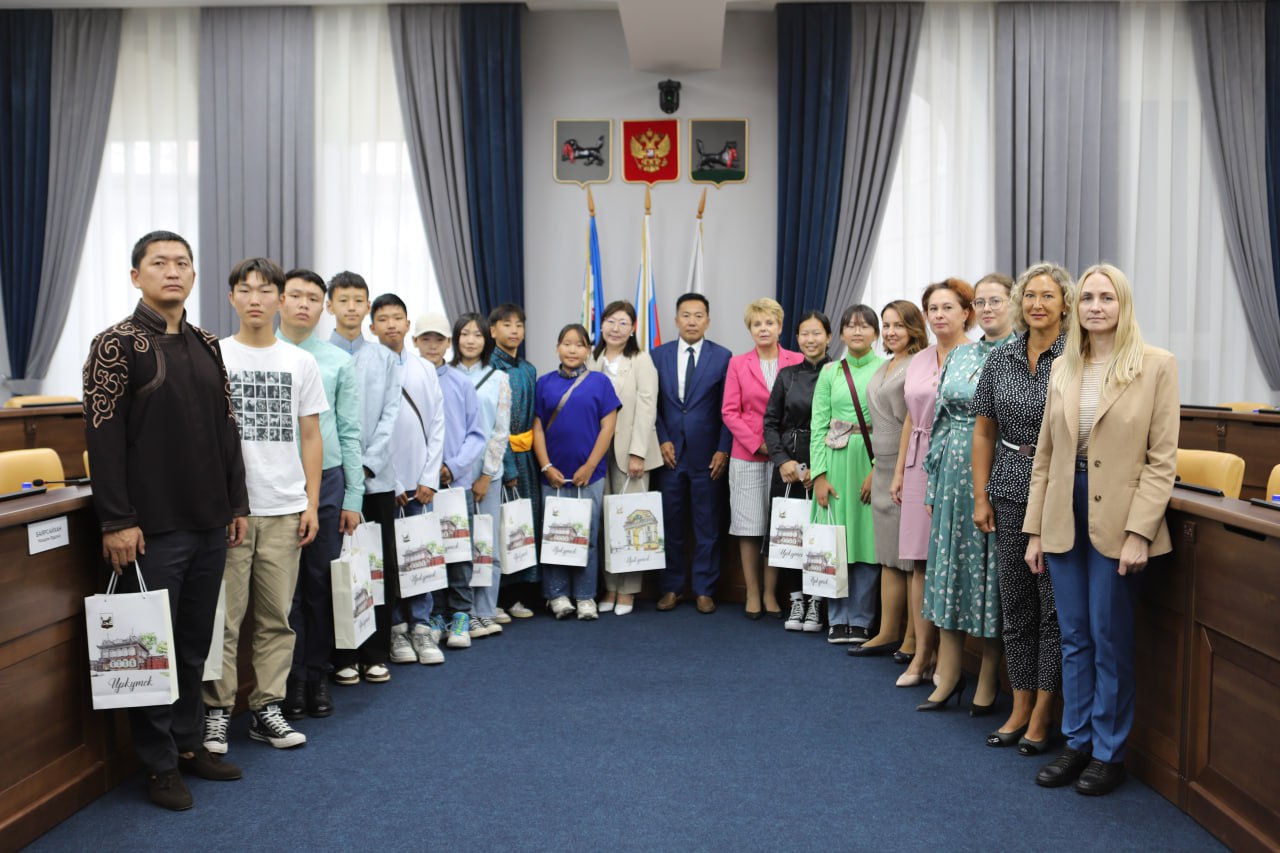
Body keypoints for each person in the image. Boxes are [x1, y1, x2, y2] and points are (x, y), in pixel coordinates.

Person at [83, 230, 248, 810]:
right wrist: (116, 521)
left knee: (193, 645)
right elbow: (102, 439)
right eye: (159, 263)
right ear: (137, 276)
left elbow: (227, 427)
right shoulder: (115, 344)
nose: (172, 271)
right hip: (149, 530)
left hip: (209, 523)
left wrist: (236, 504)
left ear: (194, 275)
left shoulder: (206, 343)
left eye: (182, 262)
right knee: (151, 650)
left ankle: (188, 744)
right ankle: (157, 765)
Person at [1025, 264, 1178, 796]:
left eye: (1106, 297)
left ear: (1123, 304)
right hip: (1063, 511)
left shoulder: (1156, 365)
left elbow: (1162, 460)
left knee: (1109, 638)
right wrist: (1035, 530)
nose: (1095, 306)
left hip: (1120, 516)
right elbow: (1045, 457)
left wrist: (1141, 532)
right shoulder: (1064, 366)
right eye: (1087, 297)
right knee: (1074, 637)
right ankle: (1077, 742)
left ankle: (1109, 753)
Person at [203, 257, 326, 755]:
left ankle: (266, 708)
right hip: (231, 511)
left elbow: (311, 436)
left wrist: (311, 503)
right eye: (245, 289)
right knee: (224, 618)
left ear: (280, 299)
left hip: (284, 507)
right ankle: (216, 711)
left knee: (277, 617)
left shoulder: (300, 362)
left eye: (265, 290)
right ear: (231, 297)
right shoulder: (214, 356)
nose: (255, 299)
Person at [972, 263, 1071, 751]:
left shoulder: (1077, 358)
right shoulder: (1001, 358)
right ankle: (1020, 703)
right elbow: (984, 431)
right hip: (1009, 486)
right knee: (1015, 605)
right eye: (1030, 295)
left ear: (1065, 304)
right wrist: (980, 495)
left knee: (1053, 609)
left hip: (1061, 491)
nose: (1037, 304)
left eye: (1047, 296)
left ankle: (1043, 713)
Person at [917, 274, 1017, 712]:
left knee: (991, 577)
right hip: (952, 477)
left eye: (997, 300)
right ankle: (950, 672)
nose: (988, 308)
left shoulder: (1021, 354)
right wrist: (933, 483)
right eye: (982, 301)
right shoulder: (960, 354)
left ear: (1013, 304)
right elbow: (940, 421)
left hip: (999, 471)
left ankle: (989, 678)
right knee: (949, 571)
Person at [277, 269, 363, 721]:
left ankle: (317, 674)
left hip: (327, 480)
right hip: (274, 481)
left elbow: (350, 432)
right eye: (295, 295)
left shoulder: (336, 361)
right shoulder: (263, 355)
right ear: (279, 300)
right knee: (283, 591)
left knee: (319, 582)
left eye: (313, 298)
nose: (304, 304)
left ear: (322, 306)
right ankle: (289, 679)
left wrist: (354, 497)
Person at [891, 279, 974, 687]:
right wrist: (898, 471)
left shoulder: (977, 355)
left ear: (966, 313)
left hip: (958, 461)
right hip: (917, 460)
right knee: (919, 561)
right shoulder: (920, 359)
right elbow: (911, 415)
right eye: (933, 309)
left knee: (948, 560)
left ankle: (948, 657)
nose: (939, 315)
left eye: (948, 307)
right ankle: (921, 654)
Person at [327, 271, 402, 685]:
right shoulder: (317, 355)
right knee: (336, 567)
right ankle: (342, 654)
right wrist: (342, 471)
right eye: (344, 300)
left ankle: (375, 651)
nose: (352, 307)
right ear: (330, 306)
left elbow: (391, 417)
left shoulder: (386, 359)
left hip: (376, 480)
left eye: (359, 300)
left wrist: (366, 466)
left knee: (376, 566)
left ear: (367, 307)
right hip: (332, 481)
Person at [848, 300, 929, 658]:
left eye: (899, 325)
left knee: (909, 559)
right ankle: (887, 632)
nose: (892, 332)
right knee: (887, 556)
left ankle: (913, 638)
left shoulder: (920, 364)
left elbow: (915, 421)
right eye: (887, 325)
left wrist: (900, 470)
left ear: (914, 328)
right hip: (881, 466)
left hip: (905, 466)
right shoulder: (886, 364)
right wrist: (874, 469)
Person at [370, 293, 446, 665]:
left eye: (397, 317)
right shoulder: (366, 367)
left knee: (421, 556)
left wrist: (429, 477)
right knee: (389, 559)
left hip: (422, 485)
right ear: (372, 327)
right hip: (385, 486)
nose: (391, 324)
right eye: (383, 319)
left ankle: (422, 627)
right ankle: (397, 629)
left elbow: (437, 424)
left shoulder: (424, 368)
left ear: (408, 324)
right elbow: (368, 430)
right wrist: (394, 482)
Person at [532, 324, 620, 619]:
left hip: (590, 475)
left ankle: (585, 596)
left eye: (579, 344)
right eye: (567, 343)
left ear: (588, 350)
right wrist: (546, 466)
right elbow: (537, 429)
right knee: (554, 535)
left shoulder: (600, 382)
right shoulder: (543, 383)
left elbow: (608, 427)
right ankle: (556, 595)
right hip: (552, 475)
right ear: (557, 347)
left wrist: (590, 465)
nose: (572, 350)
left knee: (587, 535)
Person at [652, 293, 732, 613]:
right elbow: (652, 406)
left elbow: (728, 408)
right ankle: (671, 587)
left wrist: (723, 449)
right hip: (669, 455)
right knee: (670, 524)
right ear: (676, 320)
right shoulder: (657, 356)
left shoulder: (723, 357)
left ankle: (704, 589)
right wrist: (661, 439)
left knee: (707, 525)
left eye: (698, 316)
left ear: (708, 321)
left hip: (708, 455)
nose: (692, 321)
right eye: (686, 315)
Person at [722, 298, 803, 619]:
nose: (763, 329)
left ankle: (771, 592)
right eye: (757, 324)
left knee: (777, 523)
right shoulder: (737, 364)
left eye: (769, 323)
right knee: (749, 525)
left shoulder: (798, 360)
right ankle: (752, 592)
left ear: (780, 327)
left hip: (788, 456)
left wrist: (780, 448)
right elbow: (730, 411)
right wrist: (760, 444)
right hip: (748, 454)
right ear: (750, 329)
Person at [811, 305, 884, 644]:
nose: (857, 331)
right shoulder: (830, 372)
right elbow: (818, 425)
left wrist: (879, 469)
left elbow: (892, 425)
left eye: (865, 326)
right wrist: (819, 475)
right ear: (840, 333)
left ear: (876, 333)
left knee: (867, 541)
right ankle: (837, 617)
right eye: (851, 326)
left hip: (871, 461)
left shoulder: (885, 368)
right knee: (835, 539)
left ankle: (863, 618)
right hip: (835, 461)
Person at [414, 312, 487, 649]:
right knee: (426, 551)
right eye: (425, 339)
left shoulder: (461, 383)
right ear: (415, 341)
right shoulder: (407, 378)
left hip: (454, 484)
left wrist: (453, 467)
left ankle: (460, 614)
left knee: (458, 552)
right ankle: (434, 615)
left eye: (438, 339)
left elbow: (477, 434)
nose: (432, 345)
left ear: (448, 343)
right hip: (419, 485)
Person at [587, 300, 662, 616]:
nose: (615, 328)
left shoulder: (641, 360)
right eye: (610, 321)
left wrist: (637, 453)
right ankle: (610, 586)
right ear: (601, 324)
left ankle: (628, 590)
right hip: (595, 452)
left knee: (631, 521)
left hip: (630, 453)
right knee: (604, 522)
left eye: (623, 323)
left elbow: (647, 407)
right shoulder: (591, 359)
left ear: (632, 329)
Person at [763, 311, 831, 633]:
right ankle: (796, 600)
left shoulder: (837, 372)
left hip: (825, 464)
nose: (810, 339)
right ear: (797, 337)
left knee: (820, 533)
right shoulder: (787, 375)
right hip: (789, 465)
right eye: (805, 333)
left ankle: (817, 601)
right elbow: (770, 423)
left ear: (829, 337)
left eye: (817, 333)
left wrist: (819, 469)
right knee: (790, 532)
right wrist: (782, 461)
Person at [451, 313, 512, 636]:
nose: (471, 340)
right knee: (457, 545)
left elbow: (501, 430)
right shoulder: (444, 374)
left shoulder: (499, 378)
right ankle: (462, 611)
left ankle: (485, 609)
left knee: (487, 543)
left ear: (487, 339)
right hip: (452, 475)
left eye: (477, 334)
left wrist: (487, 474)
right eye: (465, 333)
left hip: (487, 472)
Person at [490, 303, 540, 619]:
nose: (514, 330)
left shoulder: (528, 369)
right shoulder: (490, 369)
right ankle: (496, 596)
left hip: (528, 456)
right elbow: (496, 422)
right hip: (501, 458)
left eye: (519, 325)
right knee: (502, 524)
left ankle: (518, 595)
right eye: (506, 324)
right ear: (492, 330)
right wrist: (507, 466)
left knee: (523, 522)